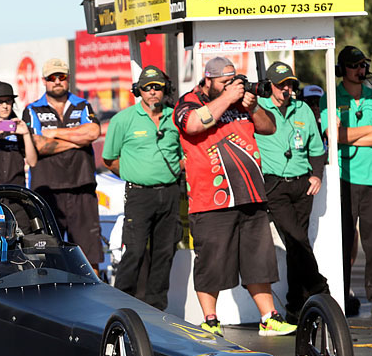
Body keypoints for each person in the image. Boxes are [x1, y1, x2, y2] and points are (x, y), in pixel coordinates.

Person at [173, 56, 297, 336]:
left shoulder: (241, 101)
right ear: (208, 80)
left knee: (259, 261)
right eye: (224, 82)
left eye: (233, 80)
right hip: (211, 199)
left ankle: (268, 317)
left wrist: (253, 107)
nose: (231, 86)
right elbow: (193, 125)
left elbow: (269, 127)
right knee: (212, 263)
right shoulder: (189, 102)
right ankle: (210, 320)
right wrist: (228, 98)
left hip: (251, 194)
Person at [320, 45, 372, 315]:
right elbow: (333, 135)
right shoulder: (331, 97)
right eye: (354, 65)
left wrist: (352, 135)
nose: (360, 69)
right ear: (341, 69)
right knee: (343, 242)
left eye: (362, 65)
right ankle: (341, 295)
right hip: (343, 178)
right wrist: (369, 129)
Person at [102, 65, 183, 311]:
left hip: (170, 192)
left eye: (157, 87)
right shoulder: (123, 119)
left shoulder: (175, 117)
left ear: (165, 89)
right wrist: (135, 174)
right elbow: (109, 159)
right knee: (134, 251)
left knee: (164, 253)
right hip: (139, 194)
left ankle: (157, 308)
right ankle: (120, 306)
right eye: (147, 88)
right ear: (139, 91)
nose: (152, 92)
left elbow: (184, 155)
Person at [255, 62, 329, 323]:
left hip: (302, 184)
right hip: (275, 185)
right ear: (270, 87)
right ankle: (320, 287)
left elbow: (317, 148)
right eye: (281, 85)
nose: (286, 89)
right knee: (296, 239)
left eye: (290, 84)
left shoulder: (303, 109)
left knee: (296, 245)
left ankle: (295, 304)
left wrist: (317, 174)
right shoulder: (258, 109)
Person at [22, 58, 102, 270]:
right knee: (48, 257)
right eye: (52, 78)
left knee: (89, 256)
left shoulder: (82, 105)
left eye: (61, 76)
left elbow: (93, 132)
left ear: (68, 78)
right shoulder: (32, 109)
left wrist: (54, 133)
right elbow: (39, 145)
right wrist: (77, 140)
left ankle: (92, 292)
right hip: (47, 191)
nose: (57, 81)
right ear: (44, 81)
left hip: (82, 187)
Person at [0, 81, 37, 186]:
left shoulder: (19, 127)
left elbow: (32, 162)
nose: (5, 106)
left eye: (8, 101)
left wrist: (26, 134)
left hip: (16, 189)